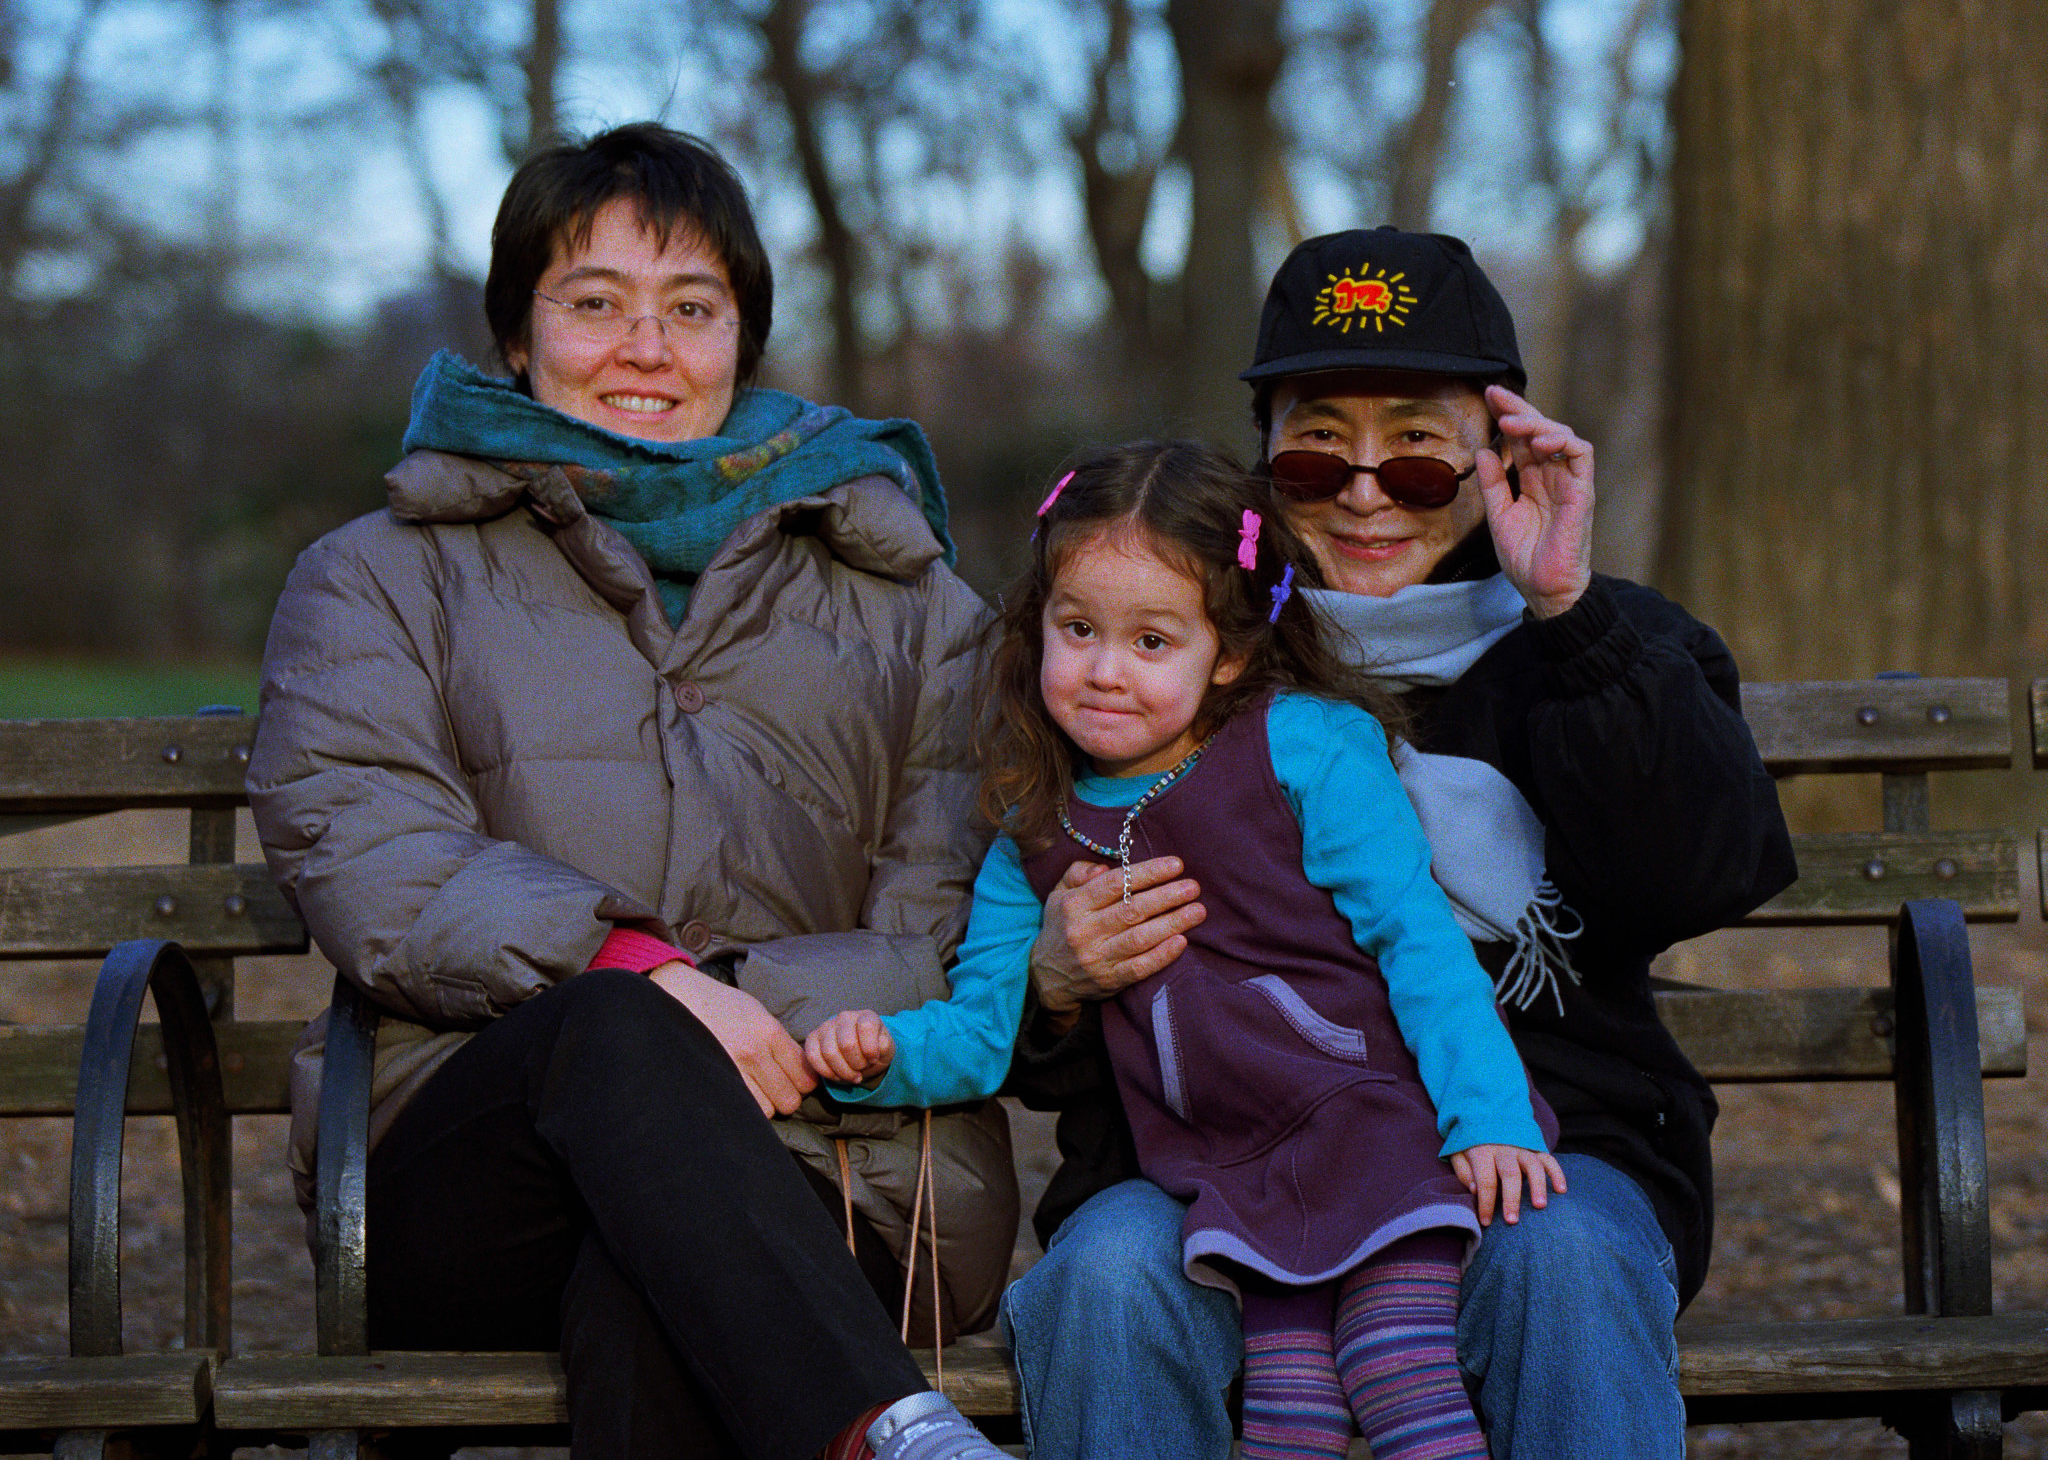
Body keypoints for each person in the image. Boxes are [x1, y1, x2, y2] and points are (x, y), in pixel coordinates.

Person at [246, 122, 1019, 1460]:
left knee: (654, 1272)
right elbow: (373, 851)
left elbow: (950, 921)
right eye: (594, 303)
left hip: (846, 1158)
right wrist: (653, 978)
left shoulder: (912, 605)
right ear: (514, 337)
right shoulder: (376, 576)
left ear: (744, 339)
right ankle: (897, 1430)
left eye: (691, 309)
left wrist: (728, 1017)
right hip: (474, 1181)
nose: (645, 349)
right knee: (609, 1028)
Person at [998, 228, 1798, 1460]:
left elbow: (1704, 871)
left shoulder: (1592, 643)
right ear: (1266, 459)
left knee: (1565, 1254)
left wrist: (1567, 616)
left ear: (1491, 457)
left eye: (1418, 456)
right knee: (1104, 1281)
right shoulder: (1151, 664)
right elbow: (1030, 993)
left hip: (1542, 1142)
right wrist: (1049, 986)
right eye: (1320, 451)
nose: (1365, 493)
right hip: (1207, 1167)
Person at [803, 438, 1566, 1459]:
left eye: (1152, 641)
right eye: (1076, 630)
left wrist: (1488, 1116)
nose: (1105, 672)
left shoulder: (1300, 747)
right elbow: (984, 1033)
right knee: (1286, 1421)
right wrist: (879, 1059)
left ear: (1234, 651)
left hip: (1376, 1129)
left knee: (1395, 1366)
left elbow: (1417, 944)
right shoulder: (1029, 830)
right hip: (1228, 1178)